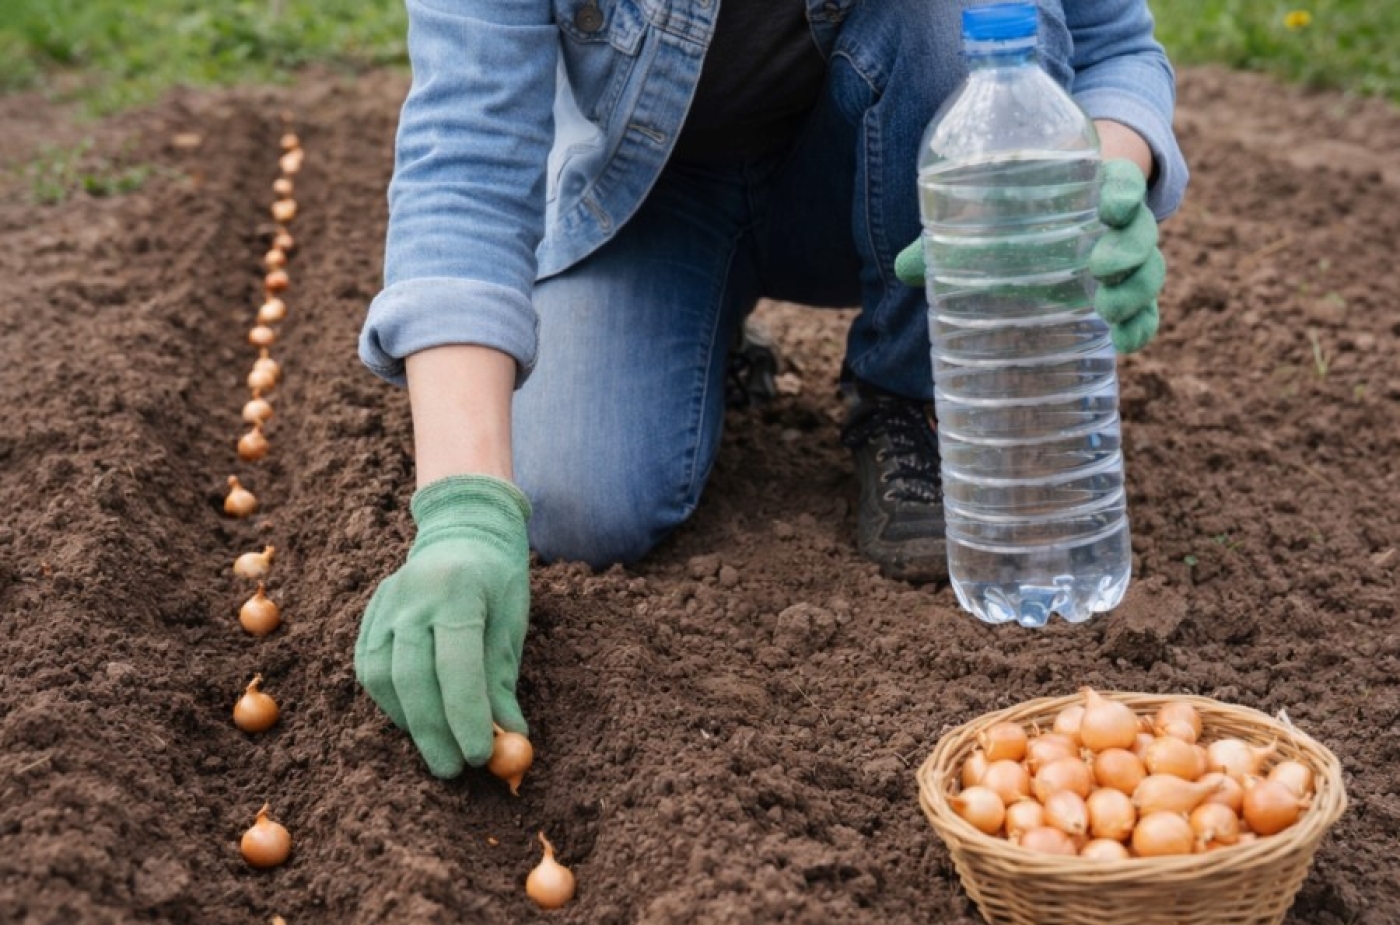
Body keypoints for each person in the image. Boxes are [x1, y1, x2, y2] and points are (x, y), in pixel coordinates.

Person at [355, 0, 1188, 778]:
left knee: (967, 17)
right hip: (645, 194)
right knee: (577, 497)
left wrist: (1096, 190)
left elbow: (1111, 45)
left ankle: (912, 389)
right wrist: (464, 512)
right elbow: (466, 148)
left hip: (895, 167)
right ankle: (702, 329)